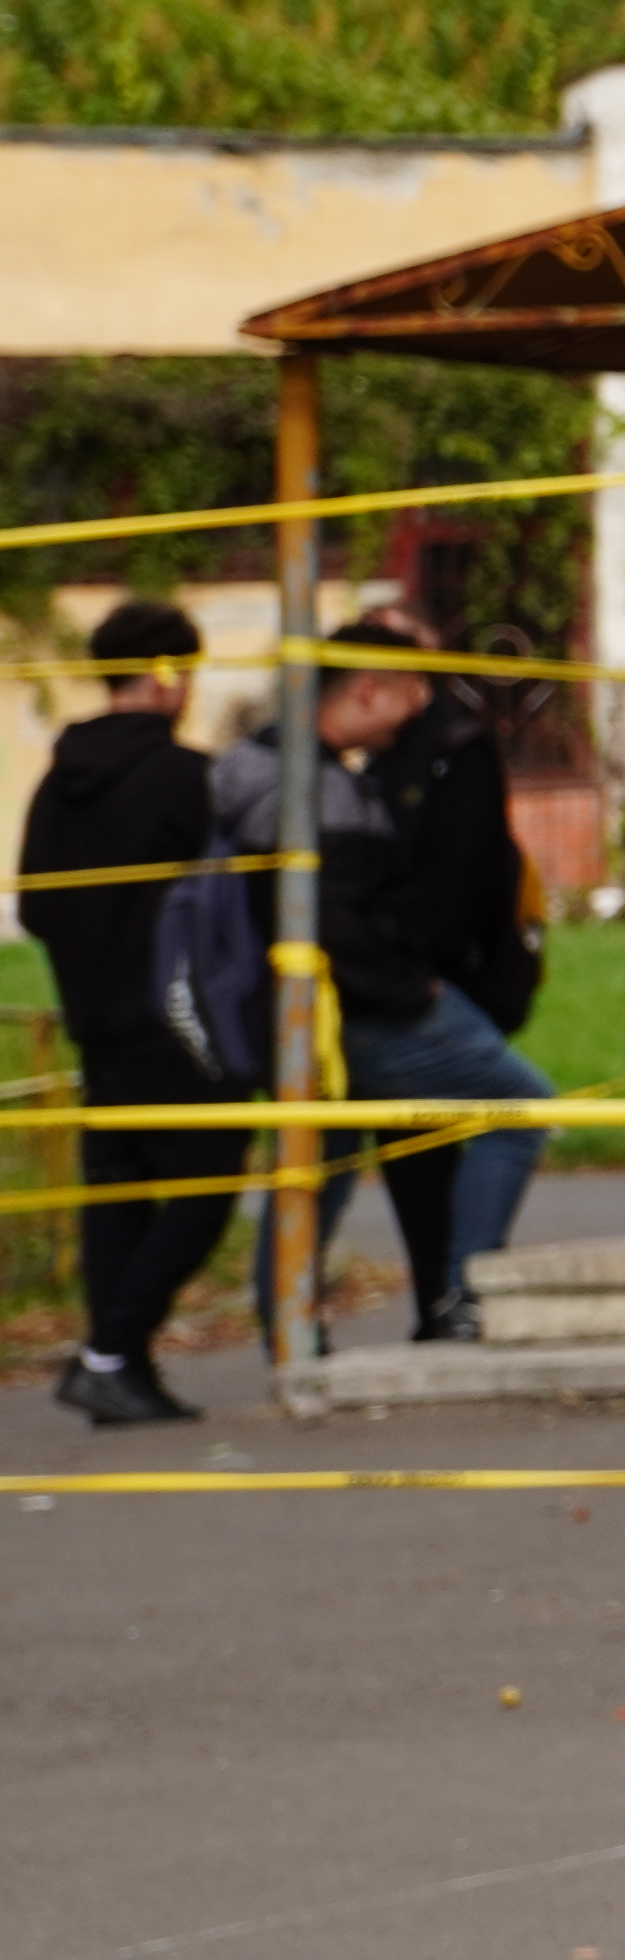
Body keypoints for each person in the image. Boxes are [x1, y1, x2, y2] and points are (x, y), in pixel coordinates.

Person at [229, 613, 556, 1346]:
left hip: (311, 1013)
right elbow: (334, 921)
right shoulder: (318, 791)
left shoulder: (254, 766)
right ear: (369, 691)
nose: (419, 708)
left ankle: (288, 1323)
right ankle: (466, 1292)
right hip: (371, 1008)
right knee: (521, 1109)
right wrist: (413, 991)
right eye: (412, 690)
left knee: (321, 1163)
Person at [23, 600, 256, 1423]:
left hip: (95, 1018)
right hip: (181, 1022)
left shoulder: (57, 780)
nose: (188, 689)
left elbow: (38, 904)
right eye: (185, 672)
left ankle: (122, 1367)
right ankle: (109, 1352)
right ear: (163, 673)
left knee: (116, 1194)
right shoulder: (184, 778)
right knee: (208, 1183)